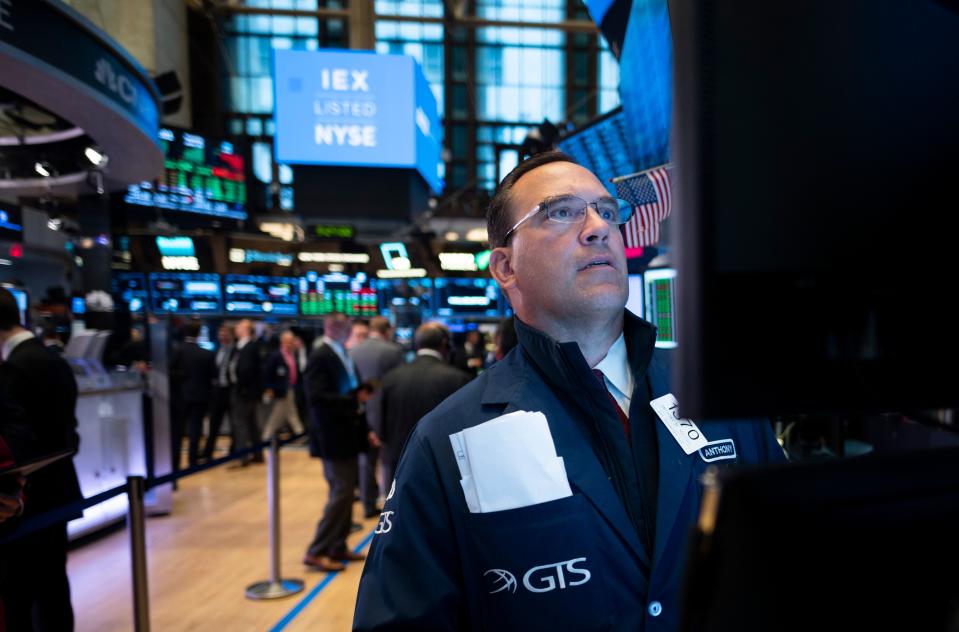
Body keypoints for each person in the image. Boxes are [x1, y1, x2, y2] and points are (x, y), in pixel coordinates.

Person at [354, 151, 786, 631]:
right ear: (504, 267)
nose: (597, 227)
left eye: (607, 211)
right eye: (562, 212)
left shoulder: (721, 395)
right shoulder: (447, 440)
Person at [0, 287, 82, 631]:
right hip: (59, 489)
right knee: (52, 584)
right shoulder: (53, 359)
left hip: (25, 500)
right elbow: (70, 432)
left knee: (21, 592)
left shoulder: (15, 368)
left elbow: (17, 443)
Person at [302, 313, 376, 572]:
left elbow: (346, 389)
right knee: (341, 492)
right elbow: (317, 398)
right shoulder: (320, 356)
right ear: (333, 327)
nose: (351, 330)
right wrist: (354, 399)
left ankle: (337, 545)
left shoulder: (341, 353)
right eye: (347, 326)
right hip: (332, 436)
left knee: (346, 493)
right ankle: (317, 549)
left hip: (348, 434)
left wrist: (358, 395)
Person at [374, 322, 472, 487]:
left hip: (399, 465)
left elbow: (381, 429)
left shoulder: (390, 378)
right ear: (444, 344)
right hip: (441, 468)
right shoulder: (457, 379)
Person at [349, 316, 405, 518]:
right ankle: (390, 508)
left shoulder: (353, 351)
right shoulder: (393, 351)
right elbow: (400, 385)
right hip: (388, 415)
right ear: (387, 330)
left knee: (365, 462)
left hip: (361, 415)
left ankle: (367, 505)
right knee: (389, 461)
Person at [169, 320, 216, 469]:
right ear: (199, 334)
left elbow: (169, 372)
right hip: (200, 397)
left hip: (180, 398)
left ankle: (174, 464)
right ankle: (193, 461)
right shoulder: (207, 354)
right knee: (196, 430)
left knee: (177, 432)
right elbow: (213, 376)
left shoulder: (178, 351)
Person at [260, 330, 306, 440]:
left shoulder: (293, 354)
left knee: (291, 413)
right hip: (280, 389)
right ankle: (266, 437)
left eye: (291, 341)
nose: (290, 344)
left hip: (290, 388)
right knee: (278, 415)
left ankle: (300, 434)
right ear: (282, 341)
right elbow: (267, 372)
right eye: (288, 341)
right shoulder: (276, 355)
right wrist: (269, 388)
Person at [230, 319, 263, 465]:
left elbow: (247, 371)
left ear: (246, 330)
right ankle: (257, 454)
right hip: (245, 391)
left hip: (244, 392)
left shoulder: (249, 347)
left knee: (241, 424)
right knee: (251, 423)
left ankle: (241, 457)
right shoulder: (240, 347)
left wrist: (243, 389)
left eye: (239, 327)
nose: (236, 329)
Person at [202, 324, 235, 461]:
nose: (222, 336)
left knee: (234, 423)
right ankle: (207, 451)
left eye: (225, 334)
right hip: (217, 390)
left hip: (231, 390)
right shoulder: (217, 350)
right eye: (220, 334)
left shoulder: (235, 350)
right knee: (214, 423)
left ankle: (234, 451)